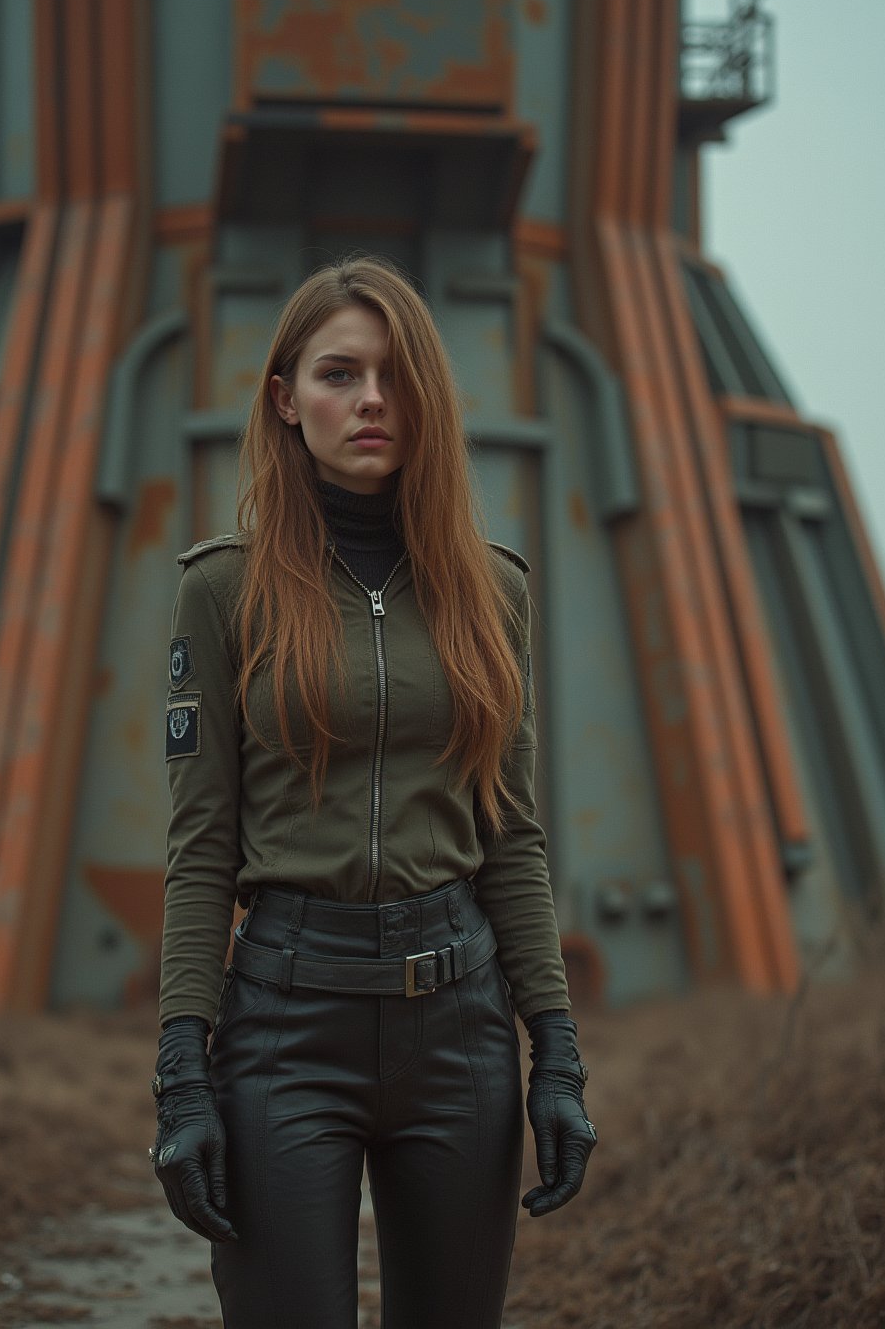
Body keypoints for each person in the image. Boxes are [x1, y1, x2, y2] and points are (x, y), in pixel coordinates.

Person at [149, 255, 596, 1328]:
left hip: (461, 1032)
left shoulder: (494, 590)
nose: (371, 401)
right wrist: (180, 1073)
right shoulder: (222, 592)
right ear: (285, 399)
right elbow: (202, 848)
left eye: (396, 376)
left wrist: (558, 1056)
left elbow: (514, 838)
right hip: (285, 1029)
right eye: (339, 374)